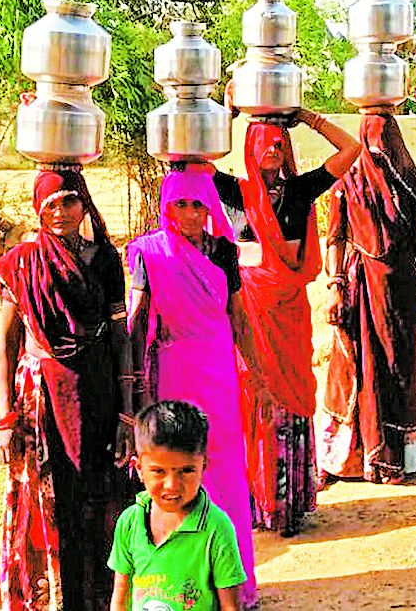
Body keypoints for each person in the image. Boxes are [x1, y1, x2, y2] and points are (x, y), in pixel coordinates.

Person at [213, 94, 361, 537]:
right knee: (254, 397)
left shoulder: (299, 191)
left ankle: (291, 500)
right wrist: (229, 111)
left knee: (293, 397)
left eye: (280, 142)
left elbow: (350, 150)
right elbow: (190, 159)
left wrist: (307, 117)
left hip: (289, 312)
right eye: (265, 141)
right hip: (250, 311)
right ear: (249, 146)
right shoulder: (235, 194)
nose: (274, 148)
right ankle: (259, 501)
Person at [0, 168, 136, 611]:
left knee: (98, 492)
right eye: (50, 204)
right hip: (39, 398)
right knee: (50, 495)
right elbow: (6, 342)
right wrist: (5, 417)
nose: (60, 212)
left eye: (69, 201)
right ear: (39, 210)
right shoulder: (19, 263)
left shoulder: (105, 260)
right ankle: (55, 599)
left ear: (84, 204)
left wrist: (127, 412)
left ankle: (101, 598)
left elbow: (120, 338)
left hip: (96, 392)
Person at [125, 166, 259, 605]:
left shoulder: (225, 252)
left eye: (197, 204)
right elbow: (137, 317)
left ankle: (233, 586)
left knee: (222, 469)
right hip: (175, 370)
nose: (188, 213)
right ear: (166, 207)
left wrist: (256, 371)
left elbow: (238, 316)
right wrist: (132, 378)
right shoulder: (150, 253)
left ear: (209, 207)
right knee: (177, 469)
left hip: (218, 370)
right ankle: (182, 585)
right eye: (179, 204)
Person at [316, 106, 416, 485]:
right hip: (360, 285)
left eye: (387, 138)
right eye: (372, 138)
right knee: (356, 368)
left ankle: (397, 459)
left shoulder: (409, 180)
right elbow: (335, 237)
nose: (380, 147)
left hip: (400, 288)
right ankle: (346, 459)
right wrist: (335, 284)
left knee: (399, 367)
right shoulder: (348, 179)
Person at [108, 401, 247, 611]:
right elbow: (120, 599)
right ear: (139, 469)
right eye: (158, 471)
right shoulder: (130, 523)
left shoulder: (216, 529)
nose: (172, 485)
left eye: (186, 471)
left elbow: (231, 607)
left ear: (203, 466)